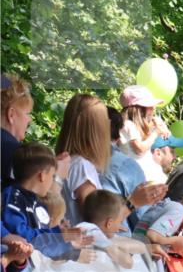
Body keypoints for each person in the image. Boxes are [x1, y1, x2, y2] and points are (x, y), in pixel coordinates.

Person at [2, 142, 88, 256]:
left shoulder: (37, 202)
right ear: (42, 175)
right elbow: (19, 235)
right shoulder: (13, 198)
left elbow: (43, 246)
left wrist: (68, 245)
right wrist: (57, 234)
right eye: (52, 176)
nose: (53, 180)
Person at [55, 93, 111, 225]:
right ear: (97, 130)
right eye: (105, 121)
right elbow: (97, 222)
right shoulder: (81, 166)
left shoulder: (68, 162)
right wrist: (132, 204)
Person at [76, 190, 145, 267]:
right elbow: (128, 263)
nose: (119, 228)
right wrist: (112, 245)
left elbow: (141, 247)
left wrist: (115, 243)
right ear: (109, 223)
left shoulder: (100, 234)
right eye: (120, 222)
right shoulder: (91, 231)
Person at [118, 85, 170, 181]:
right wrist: (155, 132)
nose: (153, 108)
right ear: (138, 109)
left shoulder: (136, 126)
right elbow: (140, 149)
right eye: (149, 106)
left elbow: (166, 137)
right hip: (134, 180)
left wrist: (161, 127)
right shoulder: (128, 125)